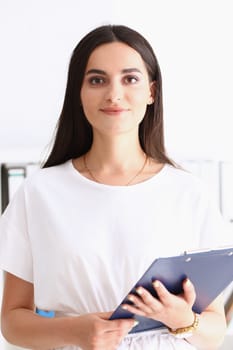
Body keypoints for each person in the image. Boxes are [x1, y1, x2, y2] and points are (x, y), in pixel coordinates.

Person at [0, 24, 232, 350]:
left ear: (152, 91)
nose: (114, 94)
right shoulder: (39, 193)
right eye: (97, 80)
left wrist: (184, 320)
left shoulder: (189, 193)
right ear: (78, 93)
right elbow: (12, 320)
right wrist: (73, 331)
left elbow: (214, 329)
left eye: (130, 79)